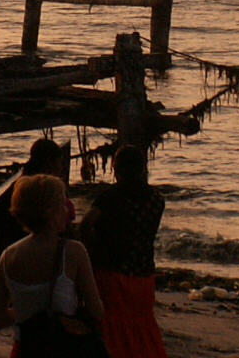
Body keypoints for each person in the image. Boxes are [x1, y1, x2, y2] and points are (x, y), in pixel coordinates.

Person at [0, 173, 104, 355]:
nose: (67, 210)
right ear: (50, 212)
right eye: (62, 205)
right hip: (61, 347)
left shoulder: (8, 256)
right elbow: (96, 311)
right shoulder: (73, 251)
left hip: (25, 348)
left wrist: (25, 311)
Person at [81, 147, 167, 358]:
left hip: (112, 271)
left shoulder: (110, 197)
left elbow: (85, 224)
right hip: (144, 272)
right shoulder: (157, 199)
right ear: (143, 168)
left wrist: (92, 246)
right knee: (142, 327)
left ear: (116, 169)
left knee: (113, 329)